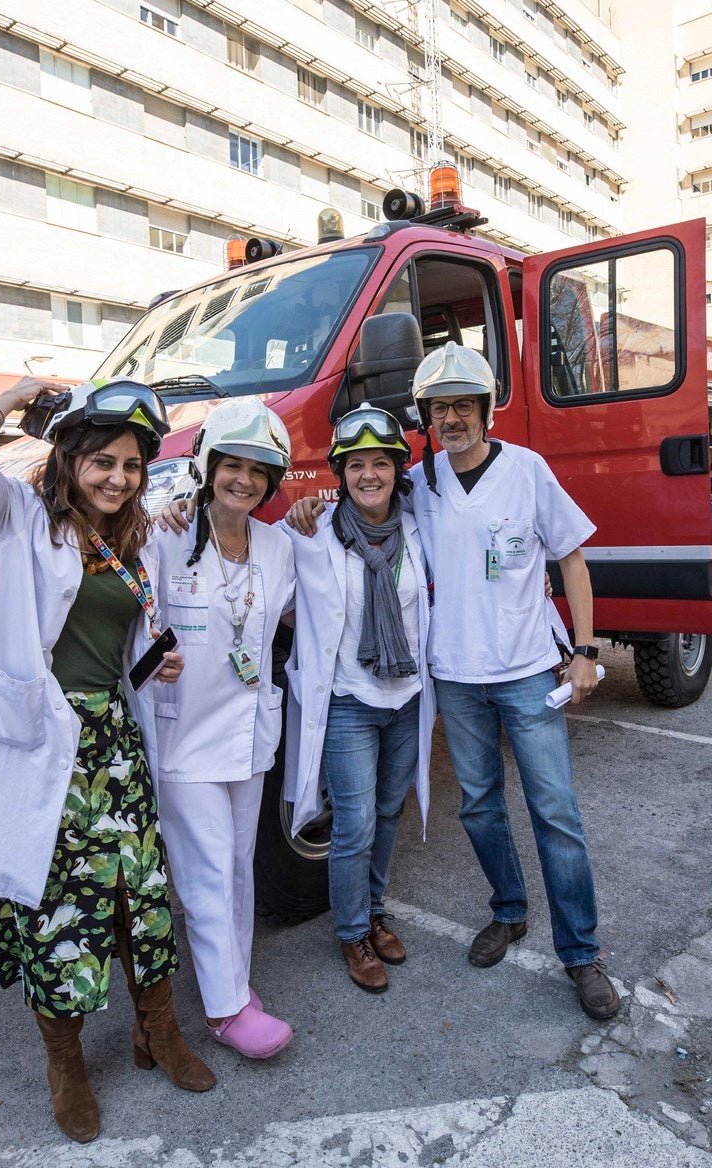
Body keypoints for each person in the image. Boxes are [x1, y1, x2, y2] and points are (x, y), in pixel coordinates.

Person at [288, 344, 619, 1020]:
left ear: (486, 408)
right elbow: (359, 496)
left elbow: (573, 561)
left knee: (556, 813)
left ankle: (581, 955)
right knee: (479, 807)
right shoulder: (423, 483)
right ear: (429, 418)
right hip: (455, 679)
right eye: (442, 409)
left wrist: (584, 650)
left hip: (528, 673)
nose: (455, 418)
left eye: (466, 404)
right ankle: (509, 911)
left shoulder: (528, 471)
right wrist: (303, 510)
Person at [0, 378, 210, 1146]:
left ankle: (159, 1031)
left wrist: (157, 663)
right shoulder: (16, 517)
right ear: (69, 459)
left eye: (131, 466)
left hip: (113, 742)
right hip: (44, 744)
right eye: (103, 462)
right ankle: (66, 1062)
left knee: (141, 893)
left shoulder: (136, 536)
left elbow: (118, 644)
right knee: (57, 909)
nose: (118, 478)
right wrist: (12, 396)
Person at [146, 397, 297, 1057]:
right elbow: (135, 626)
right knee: (206, 869)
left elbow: (319, 598)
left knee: (238, 865)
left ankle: (232, 977)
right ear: (208, 469)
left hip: (249, 734)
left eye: (258, 470)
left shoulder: (280, 546)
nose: (244, 480)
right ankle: (225, 1009)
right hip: (184, 737)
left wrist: (318, 516)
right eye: (231, 465)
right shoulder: (165, 534)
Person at [281, 406, 436, 993]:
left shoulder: (421, 528)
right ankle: (352, 933)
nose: (368, 475)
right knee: (356, 821)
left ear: (398, 470)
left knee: (389, 813)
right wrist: (178, 517)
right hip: (348, 697)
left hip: (409, 696)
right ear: (340, 474)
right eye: (356, 466)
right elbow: (249, 553)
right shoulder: (312, 530)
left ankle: (373, 911)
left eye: (380, 463)